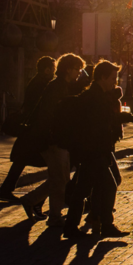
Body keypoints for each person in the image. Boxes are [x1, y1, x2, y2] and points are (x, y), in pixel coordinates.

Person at [62, 60, 133, 239]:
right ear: (102, 77)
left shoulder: (97, 94)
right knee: (104, 185)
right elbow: (99, 124)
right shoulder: (95, 97)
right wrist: (120, 118)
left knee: (86, 189)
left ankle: (81, 225)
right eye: (112, 78)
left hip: (94, 150)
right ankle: (101, 225)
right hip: (94, 151)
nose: (114, 82)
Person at [33, 53, 86, 226]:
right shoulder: (58, 87)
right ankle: (54, 216)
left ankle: (30, 201)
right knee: (60, 180)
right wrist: (52, 137)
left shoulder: (64, 86)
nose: (79, 72)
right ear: (68, 69)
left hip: (59, 139)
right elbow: (48, 115)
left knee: (58, 178)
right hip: (56, 140)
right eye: (77, 69)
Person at [0, 56, 55, 203]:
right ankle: (39, 199)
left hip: (31, 129)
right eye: (53, 69)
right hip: (34, 129)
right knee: (54, 164)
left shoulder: (36, 82)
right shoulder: (42, 84)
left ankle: (6, 190)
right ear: (47, 69)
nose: (54, 72)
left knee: (20, 160)